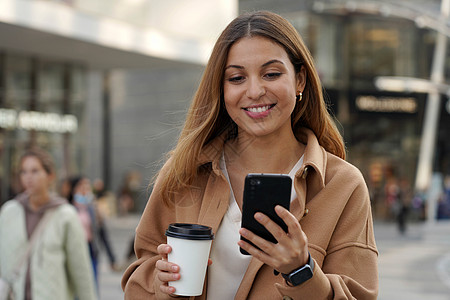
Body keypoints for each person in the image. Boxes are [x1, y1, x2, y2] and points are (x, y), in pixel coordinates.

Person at [121, 11, 378, 299]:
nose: (254, 91)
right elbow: (139, 278)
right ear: (222, 88)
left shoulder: (343, 185)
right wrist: (159, 285)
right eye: (237, 77)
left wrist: (301, 270)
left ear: (300, 80)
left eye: (271, 74)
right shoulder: (184, 172)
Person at [0, 148, 97, 300]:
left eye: (35, 171)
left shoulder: (65, 215)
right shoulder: (9, 212)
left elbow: (81, 270)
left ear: (50, 175)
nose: (28, 177)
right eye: (24, 172)